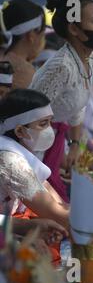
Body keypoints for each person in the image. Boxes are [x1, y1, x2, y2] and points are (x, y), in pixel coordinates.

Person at [30, 0, 93, 202]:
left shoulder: (89, 58)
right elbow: (30, 117)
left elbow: (78, 106)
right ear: (74, 29)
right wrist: (59, 152)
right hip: (35, 146)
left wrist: (75, 144)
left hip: (58, 140)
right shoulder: (61, 67)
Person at [0, 89, 71, 262]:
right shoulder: (10, 161)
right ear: (20, 131)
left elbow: (60, 205)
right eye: (43, 124)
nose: (49, 130)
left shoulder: (22, 153)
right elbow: (58, 214)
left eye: (50, 122)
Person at [0, 0, 46, 89]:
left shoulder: (5, 60)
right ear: (31, 35)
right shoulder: (27, 74)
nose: (43, 41)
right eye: (42, 35)